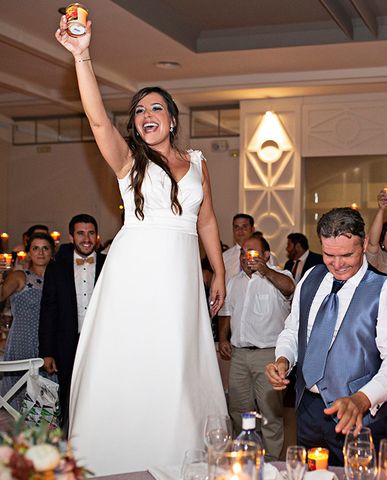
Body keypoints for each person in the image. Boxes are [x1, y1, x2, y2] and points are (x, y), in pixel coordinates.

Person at [55, 15, 227, 475]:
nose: (146, 117)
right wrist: (82, 55)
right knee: (133, 353)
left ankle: (173, 455)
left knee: (176, 360)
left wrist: (220, 272)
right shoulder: (128, 161)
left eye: (155, 109)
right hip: (136, 269)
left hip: (181, 274)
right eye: (139, 111)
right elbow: (95, 117)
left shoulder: (197, 164)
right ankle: (117, 454)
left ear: (172, 119)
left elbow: (207, 220)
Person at [266, 207, 387, 466]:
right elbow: (293, 330)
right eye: (328, 254)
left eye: (347, 254)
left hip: (360, 418)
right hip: (308, 410)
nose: (337, 264)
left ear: (365, 243)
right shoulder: (311, 277)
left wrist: (362, 399)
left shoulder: (386, 290)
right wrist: (283, 360)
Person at [219, 234, 295, 461]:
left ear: (266, 255)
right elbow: (226, 312)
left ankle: (272, 461)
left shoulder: (280, 275)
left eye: (252, 252)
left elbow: (290, 288)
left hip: (269, 356)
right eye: (243, 252)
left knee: (270, 413)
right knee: (239, 410)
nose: (245, 256)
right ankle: (246, 455)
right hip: (239, 355)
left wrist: (265, 271)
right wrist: (223, 338)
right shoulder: (235, 281)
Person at [39, 214, 104, 431]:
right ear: (71, 237)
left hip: (101, 342)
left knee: (101, 389)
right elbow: (48, 311)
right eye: (81, 233)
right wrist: (47, 352)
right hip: (67, 342)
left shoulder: (108, 265)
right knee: (67, 391)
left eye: (91, 233)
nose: (86, 238)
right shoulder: (56, 268)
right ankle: (69, 439)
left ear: (97, 236)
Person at [1, 233, 55, 408]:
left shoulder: (59, 279)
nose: (40, 253)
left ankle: (43, 435)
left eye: (45, 248)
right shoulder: (20, 276)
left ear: (52, 252)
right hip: (22, 342)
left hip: (48, 345)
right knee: (19, 397)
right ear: (29, 252)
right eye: (35, 248)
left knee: (47, 403)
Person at [223, 214, 256, 280]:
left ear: (252, 229)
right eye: (236, 227)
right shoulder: (224, 257)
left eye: (244, 226)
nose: (240, 230)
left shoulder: (263, 255)